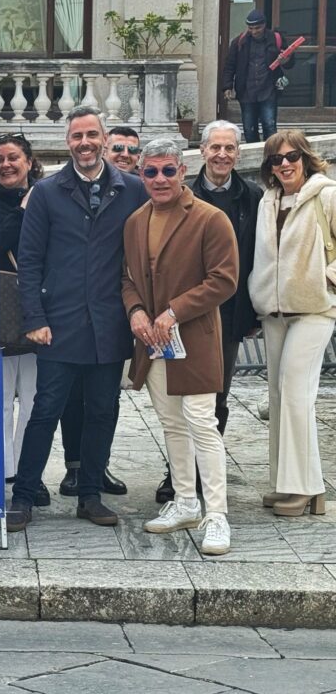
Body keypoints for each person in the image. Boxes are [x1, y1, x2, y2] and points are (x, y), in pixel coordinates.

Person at [7, 106, 147, 532]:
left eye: (91, 135)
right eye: (76, 136)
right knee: (46, 410)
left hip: (109, 321)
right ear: (67, 143)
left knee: (104, 410)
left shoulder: (134, 190)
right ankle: (24, 495)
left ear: (104, 140)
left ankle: (89, 494)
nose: (84, 143)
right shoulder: (48, 192)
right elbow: (29, 261)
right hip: (59, 322)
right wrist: (35, 316)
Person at [122, 139, 239, 556]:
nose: (159, 179)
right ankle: (186, 500)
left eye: (167, 170)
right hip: (153, 341)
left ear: (182, 171)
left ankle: (217, 514)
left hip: (195, 338)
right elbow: (128, 277)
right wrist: (136, 311)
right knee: (171, 423)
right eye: (150, 171)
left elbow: (224, 280)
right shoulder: (136, 220)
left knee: (202, 423)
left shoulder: (211, 218)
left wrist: (173, 311)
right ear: (141, 175)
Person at [153, 120, 263, 505]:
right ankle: (177, 475)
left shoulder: (252, 196)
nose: (221, 155)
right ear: (201, 152)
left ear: (238, 153)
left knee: (215, 399)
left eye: (229, 148)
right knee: (178, 400)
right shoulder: (182, 194)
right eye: (214, 147)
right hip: (180, 316)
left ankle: (203, 475)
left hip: (229, 318)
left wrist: (252, 315)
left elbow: (255, 261)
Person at [248, 129, 335, 517]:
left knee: (296, 392)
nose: (284, 164)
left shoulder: (327, 194)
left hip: (315, 310)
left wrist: (327, 281)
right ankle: (289, 484)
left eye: (291, 157)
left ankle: (305, 486)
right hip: (275, 312)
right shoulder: (269, 200)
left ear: (305, 158)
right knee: (280, 397)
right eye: (276, 160)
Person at [57, 125, 142, 497]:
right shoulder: (65, 188)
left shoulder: (138, 192)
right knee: (73, 394)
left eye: (130, 150)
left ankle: (97, 466)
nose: (123, 154)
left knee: (107, 399)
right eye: (119, 147)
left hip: (118, 309)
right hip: (74, 309)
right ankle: (74, 467)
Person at [0, 133, 47, 505]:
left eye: (13, 157)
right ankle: (3, 468)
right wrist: (22, 211)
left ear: (29, 161)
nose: (6, 165)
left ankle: (30, 470)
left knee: (33, 398)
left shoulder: (49, 197)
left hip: (39, 310)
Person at [222, 8, 295, 143]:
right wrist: (227, 86)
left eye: (257, 28)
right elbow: (229, 65)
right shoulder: (239, 42)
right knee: (249, 129)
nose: (254, 31)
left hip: (268, 90)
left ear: (264, 25)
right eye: (251, 28)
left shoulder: (276, 39)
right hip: (246, 91)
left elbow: (290, 62)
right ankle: (254, 159)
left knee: (270, 126)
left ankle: (271, 159)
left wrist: (286, 60)